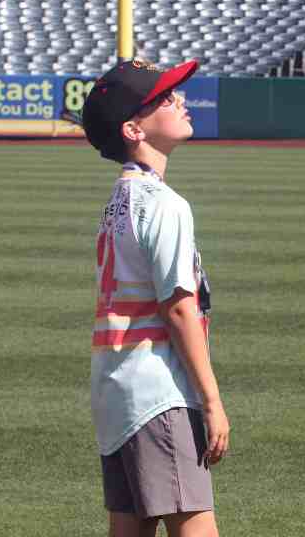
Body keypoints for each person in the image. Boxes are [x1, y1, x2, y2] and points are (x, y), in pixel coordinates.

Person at [81, 57, 230, 537]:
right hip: (158, 394)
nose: (180, 100)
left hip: (117, 392)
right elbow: (179, 307)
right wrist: (211, 400)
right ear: (133, 129)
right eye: (164, 98)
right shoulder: (165, 204)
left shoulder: (118, 200)